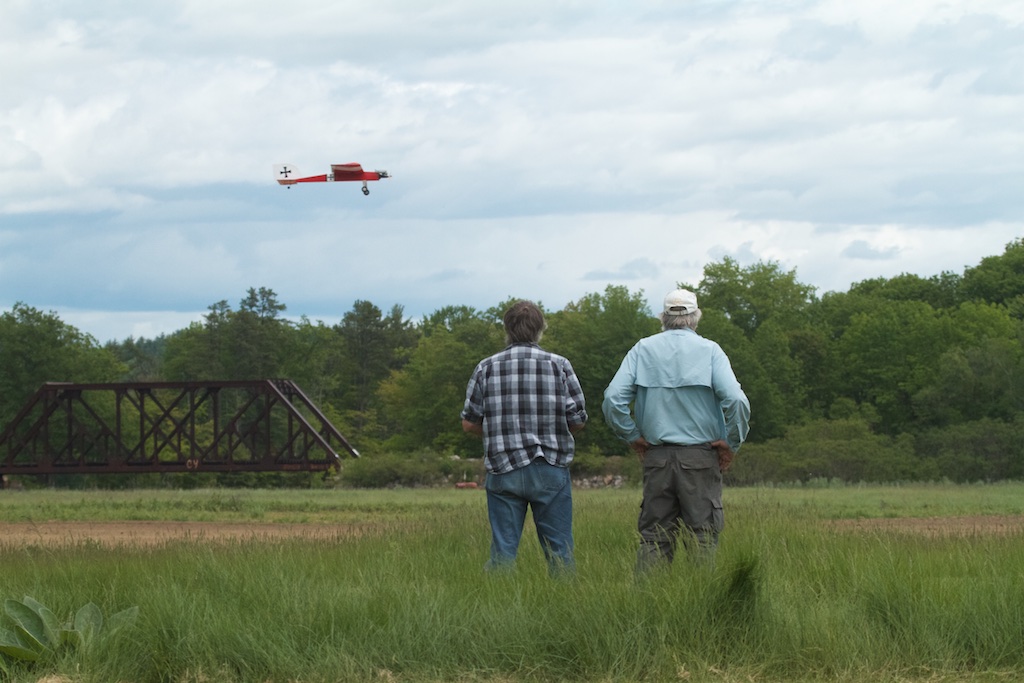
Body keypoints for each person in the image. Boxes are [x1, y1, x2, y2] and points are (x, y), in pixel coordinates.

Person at [603, 288, 749, 572]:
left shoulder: (642, 349)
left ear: (663, 318)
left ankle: (647, 597)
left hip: (656, 457)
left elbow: (612, 399)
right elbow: (737, 400)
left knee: (654, 539)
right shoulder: (710, 350)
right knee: (702, 538)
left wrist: (632, 436)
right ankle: (700, 597)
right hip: (701, 458)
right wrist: (732, 443)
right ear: (696, 317)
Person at [461, 300, 587, 575]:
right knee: (560, 553)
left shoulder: (486, 368)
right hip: (550, 465)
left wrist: (497, 431)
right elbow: (577, 420)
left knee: (502, 555)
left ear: (507, 329)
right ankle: (564, 600)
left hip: (503, 467)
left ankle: (499, 601)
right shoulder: (560, 365)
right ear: (541, 329)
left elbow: (469, 424)